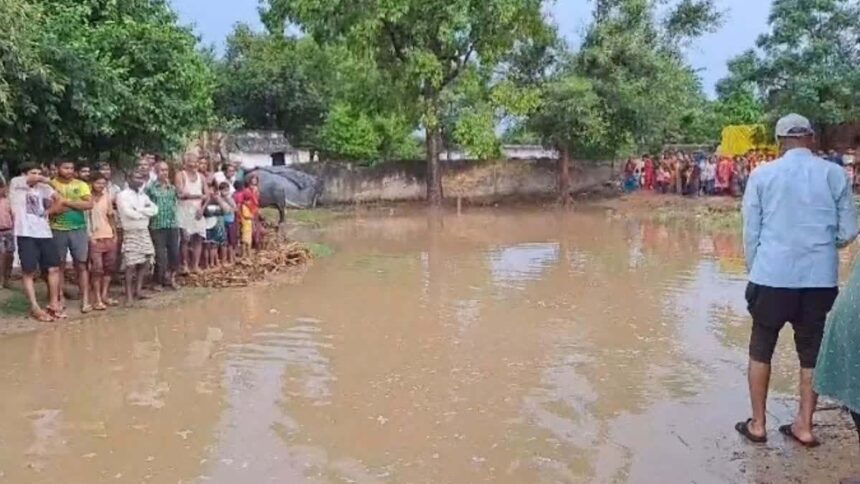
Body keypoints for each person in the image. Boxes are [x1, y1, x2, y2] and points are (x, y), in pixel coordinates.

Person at [736, 113, 858, 447]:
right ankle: (804, 426)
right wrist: (819, 245)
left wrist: (756, 270)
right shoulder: (835, 174)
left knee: (761, 348)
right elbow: (849, 230)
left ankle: (758, 424)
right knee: (811, 353)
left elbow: (751, 232)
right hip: (818, 280)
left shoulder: (762, 174)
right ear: (812, 138)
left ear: (779, 143)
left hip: (771, 276)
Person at [9, 163, 64, 321]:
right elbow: (37, 179)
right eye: (33, 172)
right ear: (24, 173)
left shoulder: (44, 188)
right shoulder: (16, 183)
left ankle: (54, 303)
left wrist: (48, 211)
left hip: (44, 233)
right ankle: (35, 307)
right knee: (29, 271)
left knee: (53, 268)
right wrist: (48, 180)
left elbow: (60, 200)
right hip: (25, 233)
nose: (37, 175)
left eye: (39, 172)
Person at [51, 160, 94, 313]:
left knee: (81, 265)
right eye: (65, 167)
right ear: (57, 168)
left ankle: (85, 300)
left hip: (79, 229)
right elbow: (52, 209)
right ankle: (60, 298)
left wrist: (66, 202)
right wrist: (75, 204)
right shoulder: (51, 185)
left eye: (71, 168)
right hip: (57, 229)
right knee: (59, 266)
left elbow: (89, 205)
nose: (69, 170)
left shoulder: (81, 185)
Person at [116, 170, 158, 305]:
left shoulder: (143, 195)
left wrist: (138, 210)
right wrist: (144, 212)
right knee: (130, 264)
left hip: (144, 231)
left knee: (146, 261)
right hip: (131, 232)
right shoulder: (122, 195)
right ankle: (128, 296)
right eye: (136, 177)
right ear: (129, 179)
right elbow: (128, 213)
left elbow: (155, 209)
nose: (139, 180)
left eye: (141, 178)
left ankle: (138, 291)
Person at [146, 161, 181, 290]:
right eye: (161, 170)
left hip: (172, 224)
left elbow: (178, 200)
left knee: (174, 254)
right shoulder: (150, 188)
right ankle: (157, 281)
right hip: (157, 225)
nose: (164, 173)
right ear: (156, 172)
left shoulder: (172, 188)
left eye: (166, 170)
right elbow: (145, 204)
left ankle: (171, 279)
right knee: (160, 256)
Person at [85, 172, 118, 310]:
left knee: (109, 268)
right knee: (97, 269)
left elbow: (110, 216)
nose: (101, 186)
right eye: (98, 183)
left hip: (108, 235)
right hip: (94, 238)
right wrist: (90, 237)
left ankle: (104, 294)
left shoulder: (107, 197)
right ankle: (97, 298)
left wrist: (115, 234)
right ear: (92, 183)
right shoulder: (86, 198)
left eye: (103, 184)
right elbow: (85, 219)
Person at [176, 153, 209, 273]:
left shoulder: (201, 177)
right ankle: (184, 265)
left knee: (198, 238)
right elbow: (181, 194)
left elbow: (208, 196)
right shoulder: (181, 175)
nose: (193, 164)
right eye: (191, 161)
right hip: (184, 210)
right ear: (185, 163)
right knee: (185, 238)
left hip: (197, 210)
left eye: (195, 162)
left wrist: (203, 208)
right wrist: (199, 196)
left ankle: (195, 265)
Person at [239, 173, 260, 258]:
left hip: (254, 210)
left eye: (255, 179)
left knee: (254, 229)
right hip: (247, 212)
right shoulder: (246, 191)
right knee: (246, 233)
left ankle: (254, 248)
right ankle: (245, 252)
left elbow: (257, 201)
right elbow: (244, 201)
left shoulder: (257, 190)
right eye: (253, 179)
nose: (254, 181)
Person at [0, 180, 14, 288]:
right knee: (1, 256)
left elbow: (13, 216)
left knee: (9, 255)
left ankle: (7, 278)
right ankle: (1, 280)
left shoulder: (8, 201)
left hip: (9, 231)